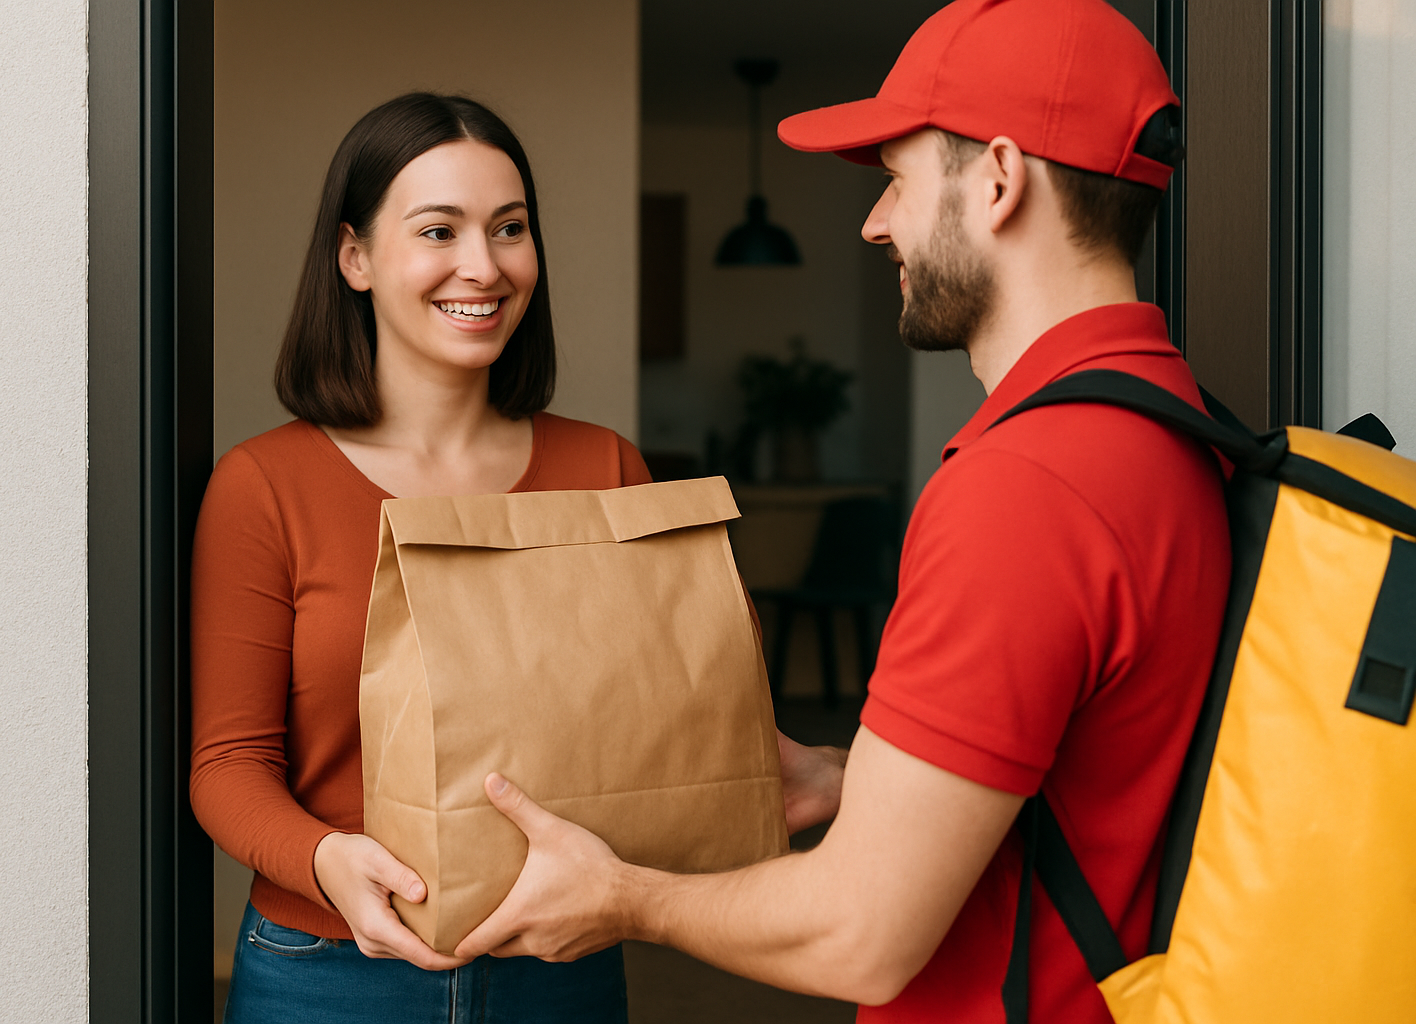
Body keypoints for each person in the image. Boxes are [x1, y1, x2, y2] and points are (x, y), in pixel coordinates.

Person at [453, 2, 1232, 1022]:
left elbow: (859, 934)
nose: (874, 222)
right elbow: (1092, 768)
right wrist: (848, 774)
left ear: (998, 180)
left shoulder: (1029, 486)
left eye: (898, 180)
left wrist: (622, 898)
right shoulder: (1176, 428)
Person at [189, 93, 649, 1024]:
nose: (483, 265)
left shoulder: (605, 468)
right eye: (439, 229)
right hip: (326, 968)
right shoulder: (262, 485)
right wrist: (325, 862)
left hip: (562, 965)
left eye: (510, 228)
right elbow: (228, 765)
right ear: (354, 257)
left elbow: (671, 711)